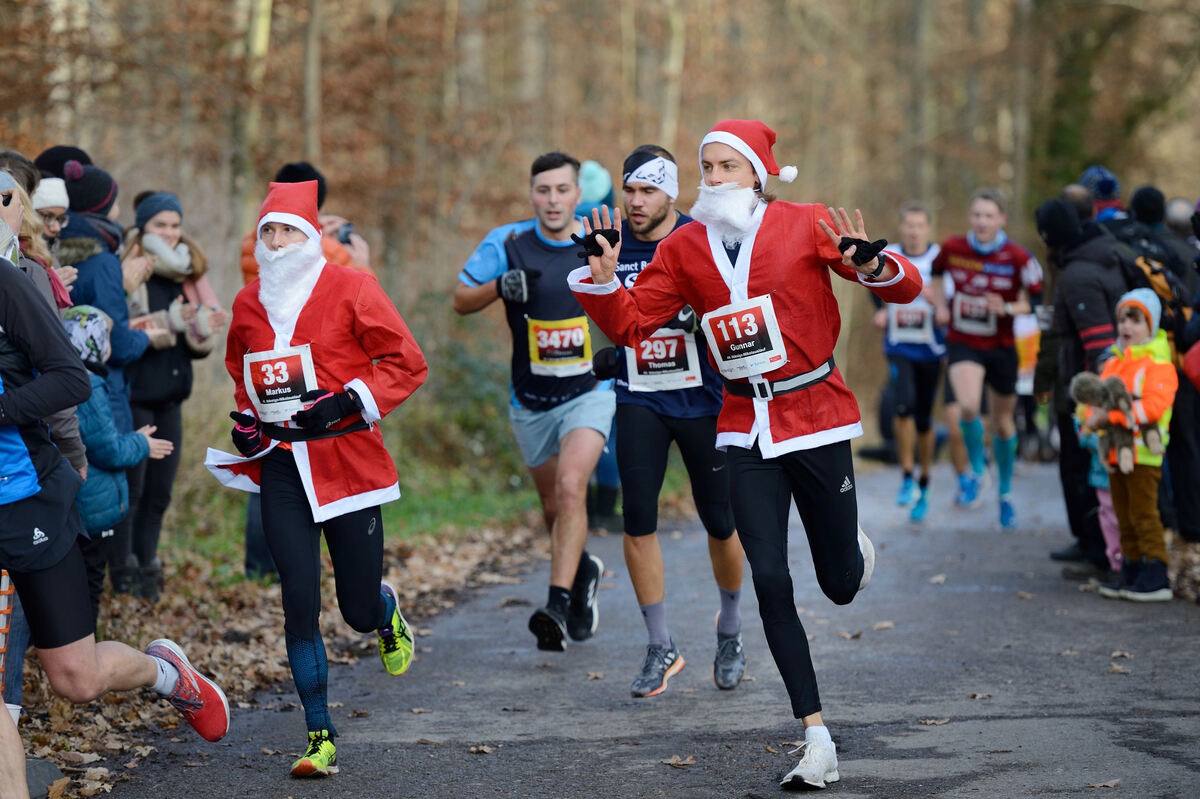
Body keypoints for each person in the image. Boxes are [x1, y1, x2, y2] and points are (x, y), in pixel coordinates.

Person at [568, 119, 921, 790]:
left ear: (758, 173)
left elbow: (898, 286)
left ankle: (851, 548)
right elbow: (635, 323)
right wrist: (604, 280)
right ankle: (816, 736)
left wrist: (874, 264)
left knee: (839, 582)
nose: (716, 177)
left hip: (814, 413)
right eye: (708, 166)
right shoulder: (686, 246)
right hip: (742, 422)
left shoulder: (806, 222)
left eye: (729, 166)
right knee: (769, 578)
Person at [205, 180, 425, 777]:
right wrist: (248, 425)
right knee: (298, 600)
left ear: (313, 235)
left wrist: (349, 402)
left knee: (353, 608)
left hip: (346, 462)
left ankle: (384, 612)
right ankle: (319, 736)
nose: (277, 242)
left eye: (289, 231)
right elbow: (243, 374)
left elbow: (407, 362)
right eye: (268, 231)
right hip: (282, 466)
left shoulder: (353, 287)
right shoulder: (249, 302)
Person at [0, 220, 230, 755]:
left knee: (76, 679)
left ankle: (166, 674)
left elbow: (71, 379)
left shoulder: (6, 284)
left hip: (27, 497)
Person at [589, 144, 745, 697]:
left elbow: (736, 306)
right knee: (637, 520)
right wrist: (608, 351)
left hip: (704, 401)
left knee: (722, 523)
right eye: (629, 189)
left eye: (647, 191)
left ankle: (729, 627)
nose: (635, 201)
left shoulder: (699, 239)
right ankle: (661, 645)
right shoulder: (611, 244)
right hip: (641, 400)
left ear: (671, 193)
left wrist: (699, 324)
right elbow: (602, 310)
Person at [453, 152, 614, 652]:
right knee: (552, 506)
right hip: (530, 399)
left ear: (577, 195)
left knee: (571, 489)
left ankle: (557, 605)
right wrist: (498, 286)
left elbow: (632, 299)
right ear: (531, 193)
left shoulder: (597, 240)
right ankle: (583, 569)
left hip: (589, 393)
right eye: (543, 190)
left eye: (562, 190)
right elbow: (460, 299)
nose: (553, 200)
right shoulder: (509, 241)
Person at [238, 161, 371, 581]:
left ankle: (262, 567)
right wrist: (358, 256)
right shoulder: (327, 253)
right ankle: (306, 565)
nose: (279, 240)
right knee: (299, 466)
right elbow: (355, 292)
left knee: (270, 471)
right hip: (310, 375)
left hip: (269, 373)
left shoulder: (252, 244)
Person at [57, 159, 159, 595]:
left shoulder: (61, 247)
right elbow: (112, 339)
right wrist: (153, 337)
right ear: (103, 208)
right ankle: (106, 597)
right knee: (114, 490)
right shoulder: (102, 262)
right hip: (102, 389)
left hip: (63, 390)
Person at [122, 191, 227, 600]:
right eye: (159, 225)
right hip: (135, 397)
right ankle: (125, 571)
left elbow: (196, 343)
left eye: (174, 225)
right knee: (132, 491)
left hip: (172, 399)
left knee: (160, 493)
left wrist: (204, 326)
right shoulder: (131, 267)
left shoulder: (189, 272)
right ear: (143, 228)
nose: (169, 233)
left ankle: (149, 565)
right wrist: (168, 321)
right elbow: (119, 330)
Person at [932, 188, 1043, 529]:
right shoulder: (952, 248)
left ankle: (1005, 492)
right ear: (970, 217)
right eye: (977, 215)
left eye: (989, 216)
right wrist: (940, 306)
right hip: (964, 341)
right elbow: (936, 275)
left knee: (1004, 423)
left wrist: (1008, 307)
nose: (982, 221)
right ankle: (977, 472)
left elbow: (1036, 302)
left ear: (1001, 220)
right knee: (967, 406)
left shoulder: (1019, 258)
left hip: (1001, 346)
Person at [61, 305, 173, 620]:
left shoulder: (60, 375)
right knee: (89, 584)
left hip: (78, 503)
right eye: (106, 338)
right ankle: (85, 654)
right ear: (93, 342)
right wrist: (141, 444)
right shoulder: (89, 385)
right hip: (93, 507)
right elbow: (106, 450)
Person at [1032, 196, 1125, 577]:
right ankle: (1093, 545)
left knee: (1084, 470)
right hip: (1088, 384)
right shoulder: (1100, 253)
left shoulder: (1078, 274)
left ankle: (1098, 552)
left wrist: (1092, 407)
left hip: (1087, 393)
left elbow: (1099, 344)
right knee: (1084, 470)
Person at [1087, 290, 1178, 600]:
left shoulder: (1158, 365)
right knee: (1122, 515)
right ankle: (1132, 569)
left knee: (1144, 515)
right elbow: (1097, 397)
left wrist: (1108, 416)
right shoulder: (1115, 362)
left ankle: (1156, 575)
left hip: (1144, 454)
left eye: (1136, 320)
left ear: (1151, 326)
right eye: (1122, 319)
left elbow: (1153, 408)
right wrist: (1090, 415)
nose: (1127, 326)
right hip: (1115, 452)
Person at [876, 202, 943, 522]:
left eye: (920, 224)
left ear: (928, 228)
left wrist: (939, 303)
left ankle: (925, 479)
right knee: (902, 406)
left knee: (924, 418)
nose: (914, 230)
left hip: (931, 348)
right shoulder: (890, 254)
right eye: (909, 224)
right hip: (899, 344)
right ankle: (906, 475)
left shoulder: (939, 258)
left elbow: (950, 299)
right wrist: (878, 309)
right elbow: (873, 282)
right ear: (901, 227)